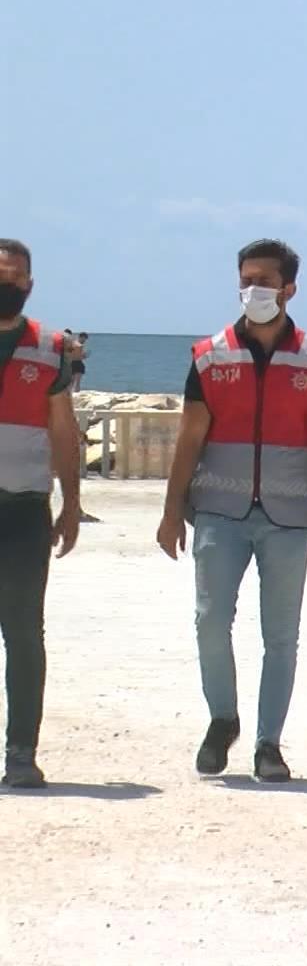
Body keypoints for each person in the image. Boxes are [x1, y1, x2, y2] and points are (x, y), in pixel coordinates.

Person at [156, 239, 307, 783]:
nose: (253, 289)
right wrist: (172, 511)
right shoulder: (209, 355)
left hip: (291, 517)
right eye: (246, 278)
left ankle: (269, 743)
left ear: (289, 289)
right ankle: (223, 719)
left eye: (265, 280)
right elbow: (189, 438)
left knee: (280, 636)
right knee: (209, 622)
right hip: (219, 510)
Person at [0, 239, 83, 788]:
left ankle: (21, 754)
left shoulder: (50, 346)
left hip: (25, 507)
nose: (7, 283)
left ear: (30, 283)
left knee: (24, 633)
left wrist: (73, 504)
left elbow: (62, 429)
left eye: (14, 276)